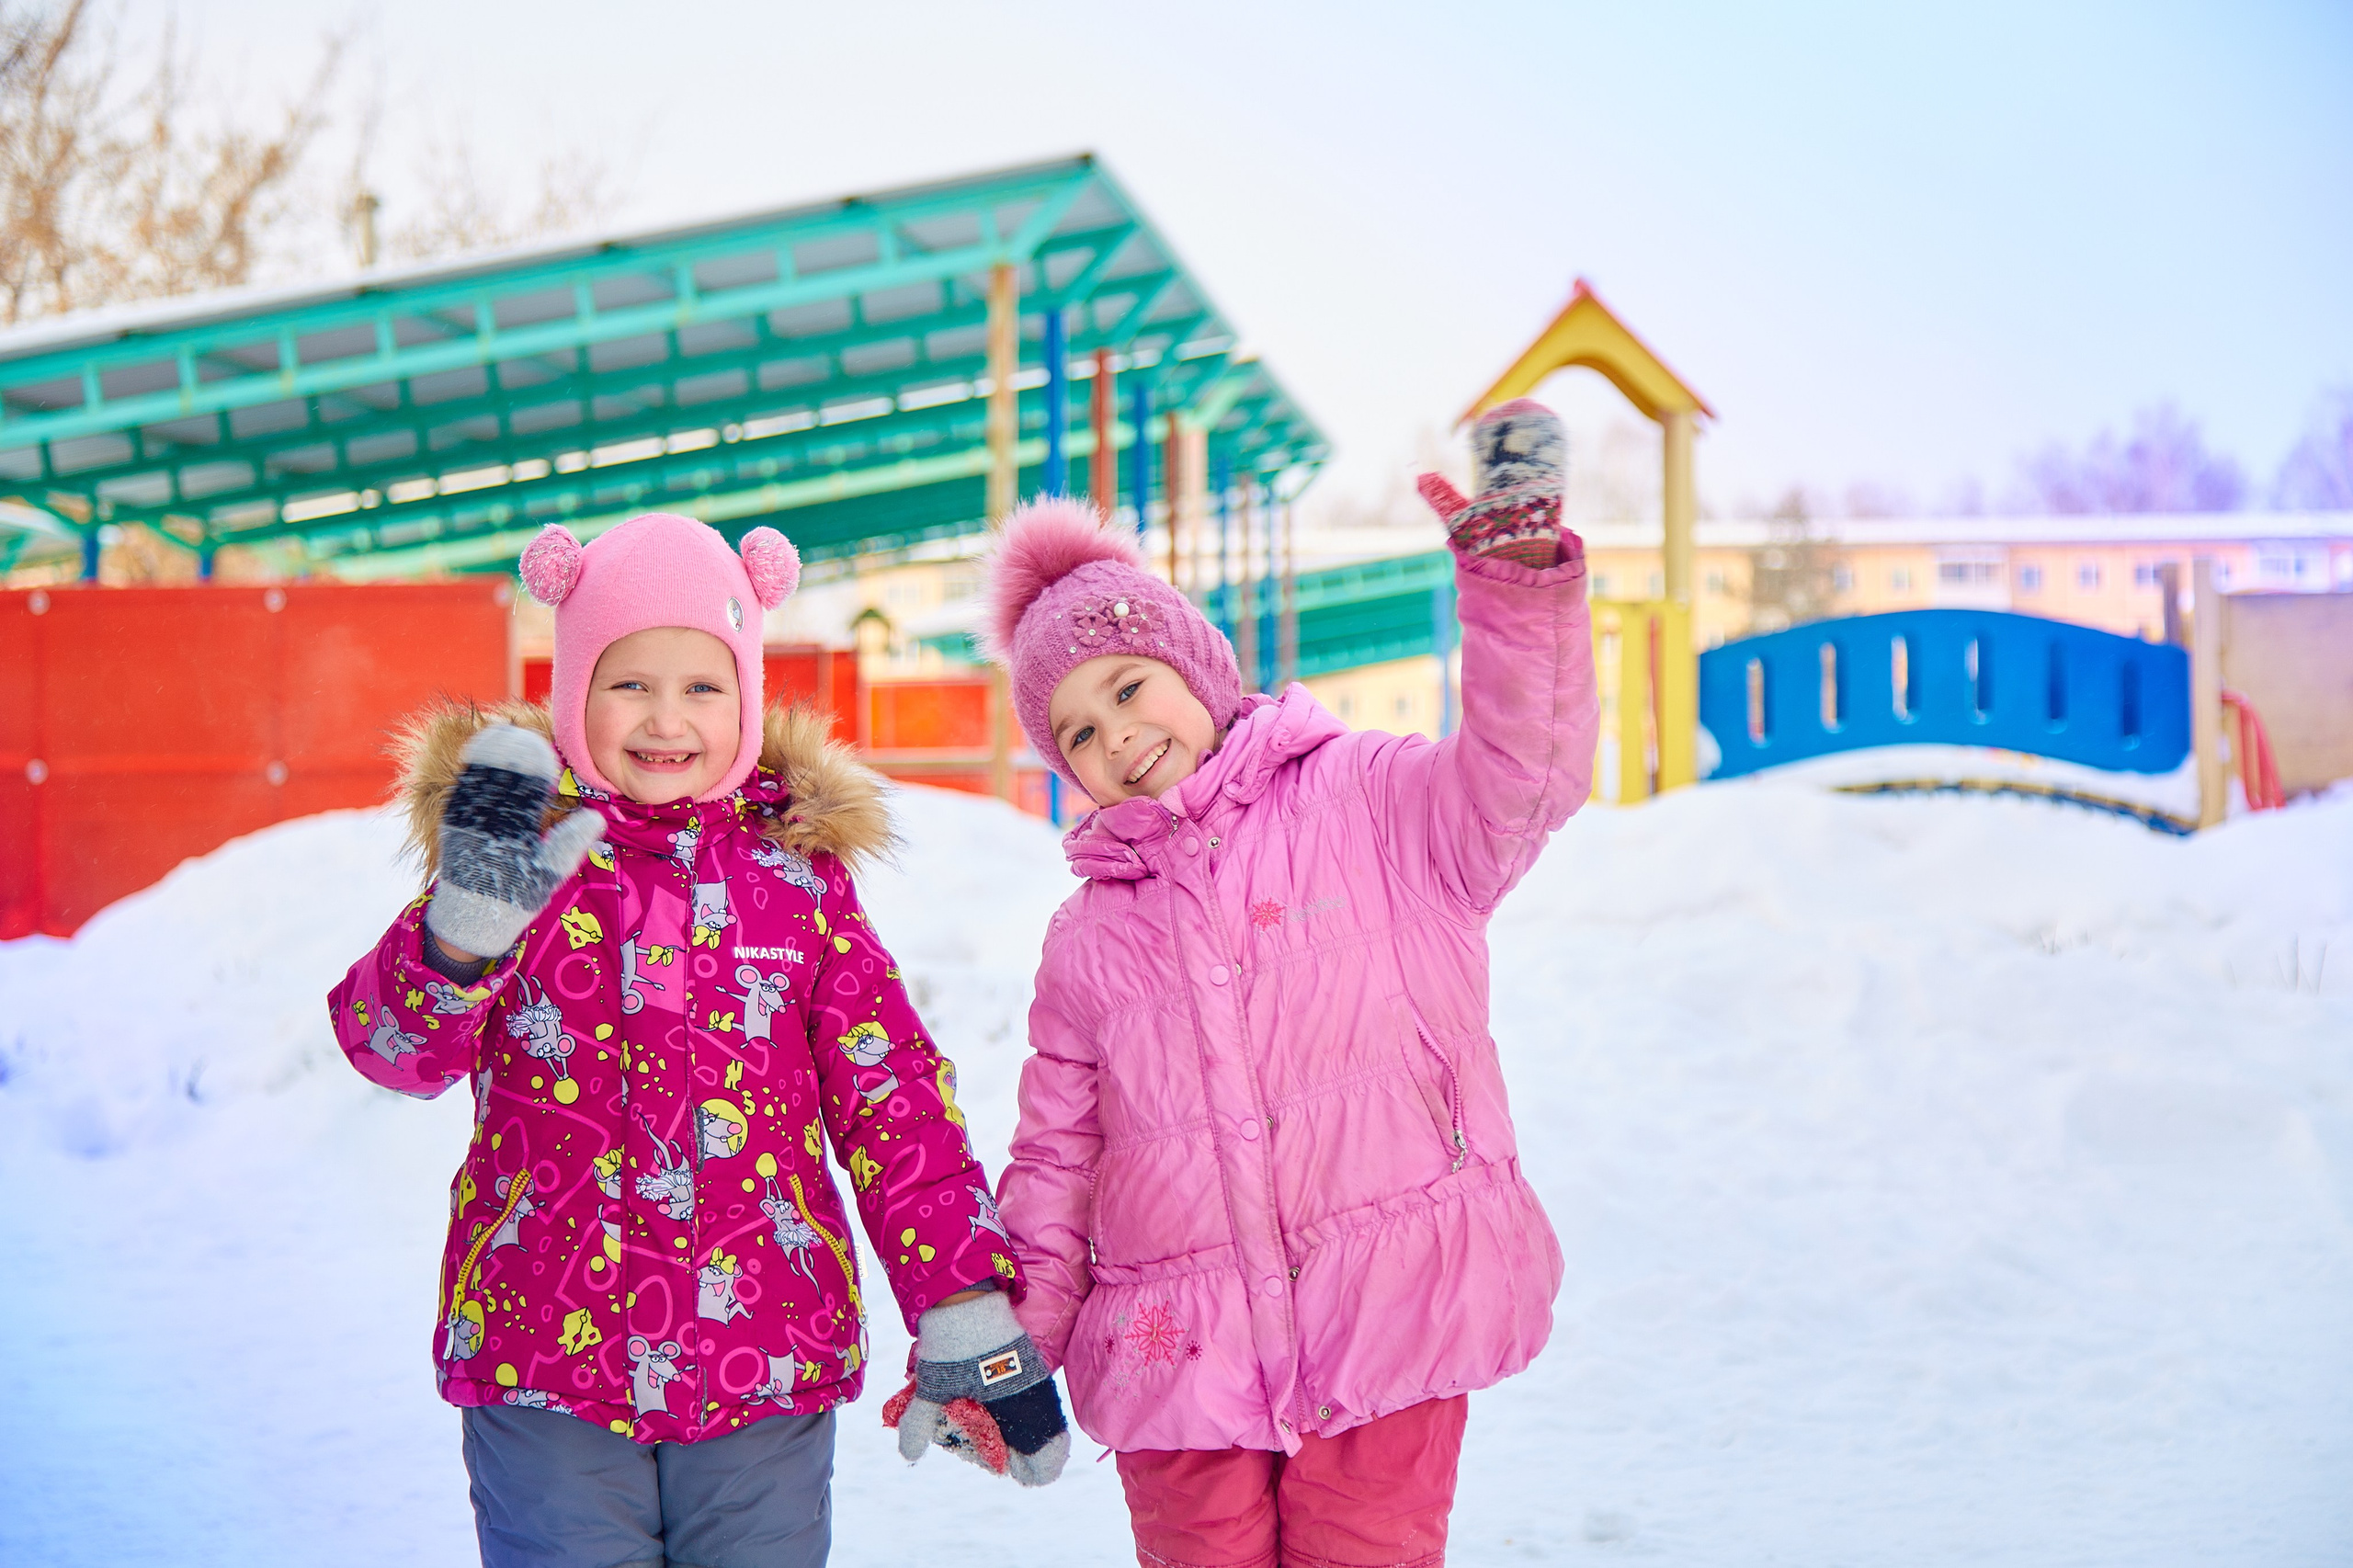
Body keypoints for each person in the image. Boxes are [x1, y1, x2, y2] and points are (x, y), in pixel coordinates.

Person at [328, 511, 1067, 1568]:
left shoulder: (800, 880)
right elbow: (390, 1053)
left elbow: (890, 1093)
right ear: (574, 686)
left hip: (760, 1356)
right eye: (630, 681)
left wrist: (960, 1303)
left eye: (703, 685)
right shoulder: (512, 862)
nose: (665, 717)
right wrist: (455, 938)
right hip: (546, 1357)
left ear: (749, 698)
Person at [969, 401, 1597, 1568]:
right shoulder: (1088, 937)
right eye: (1076, 730)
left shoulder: (1372, 801)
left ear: (1196, 664)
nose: (1115, 733)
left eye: (1127, 684)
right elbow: (1058, 1154)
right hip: (1176, 1351)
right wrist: (1017, 1334)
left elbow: (1528, 776)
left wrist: (1516, 598)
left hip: (1385, 1308)